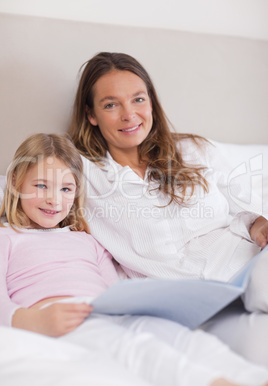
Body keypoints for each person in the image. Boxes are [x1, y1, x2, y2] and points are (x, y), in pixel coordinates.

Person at [2, 134, 266, 386]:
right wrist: (32, 321)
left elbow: (113, 289)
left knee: (179, 337)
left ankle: (254, 378)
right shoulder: (7, 237)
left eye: (65, 188)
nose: (53, 199)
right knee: (138, 350)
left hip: (103, 310)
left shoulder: (85, 239)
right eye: (40, 185)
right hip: (61, 316)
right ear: (15, 182)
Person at [68, 51, 268, 311]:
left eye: (138, 99)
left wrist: (256, 224)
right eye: (111, 105)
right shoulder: (83, 173)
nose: (129, 115)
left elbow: (245, 199)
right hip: (187, 301)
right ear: (91, 115)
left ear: (151, 103)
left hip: (248, 264)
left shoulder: (191, 150)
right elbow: (22, 191)